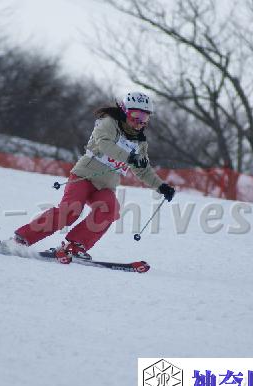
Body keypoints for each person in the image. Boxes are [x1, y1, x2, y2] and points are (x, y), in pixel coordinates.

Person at [11, 91, 176, 263]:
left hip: (105, 186)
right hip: (84, 176)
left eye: (145, 117)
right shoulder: (109, 123)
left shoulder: (140, 142)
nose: (140, 122)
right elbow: (104, 145)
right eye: (136, 115)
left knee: (110, 209)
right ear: (124, 111)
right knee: (70, 211)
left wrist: (161, 186)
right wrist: (129, 157)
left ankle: (75, 246)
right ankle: (21, 239)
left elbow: (143, 169)